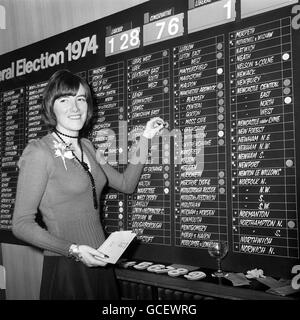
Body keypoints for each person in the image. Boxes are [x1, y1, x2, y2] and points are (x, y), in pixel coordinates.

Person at [12, 69, 164, 300]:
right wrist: (73, 250)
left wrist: (146, 137)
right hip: (67, 266)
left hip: (101, 261)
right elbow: (21, 225)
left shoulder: (87, 147)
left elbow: (126, 184)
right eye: (64, 100)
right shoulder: (38, 151)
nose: (74, 108)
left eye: (80, 99)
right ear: (51, 107)